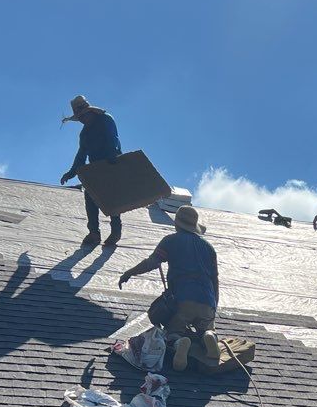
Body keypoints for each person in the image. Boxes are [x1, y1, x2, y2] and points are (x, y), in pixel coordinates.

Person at [118, 205, 220, 371]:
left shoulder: (171, 240)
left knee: (172, 332)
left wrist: (130, 273)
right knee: (207, 327)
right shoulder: (209, 248)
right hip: (207, 301)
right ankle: (209, 336)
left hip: (182, 299)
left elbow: (152, 262)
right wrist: (214, 304)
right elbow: (215, 279)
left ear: (177, 224)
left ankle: (179, 342)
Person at [60, 95, 123, 249]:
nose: (82, 120)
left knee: (112, 198)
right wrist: (71, 172)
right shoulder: (85, 134)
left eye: (83, 116)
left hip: (111, 163)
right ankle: (94, 232)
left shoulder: (105, 119)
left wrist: (112, 156)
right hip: (95, 168)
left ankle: (116, 230)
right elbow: (81, 155)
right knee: (90, 196)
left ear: (90, 112)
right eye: (79, 117)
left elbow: (112, 139)